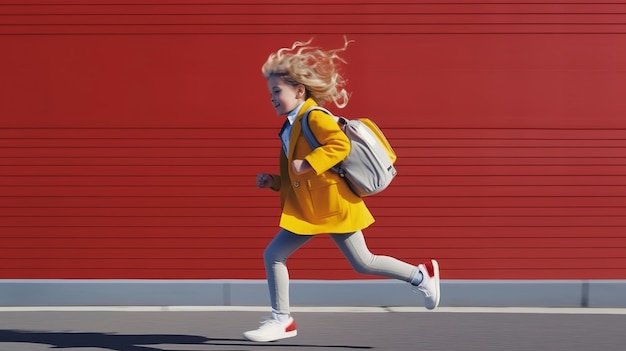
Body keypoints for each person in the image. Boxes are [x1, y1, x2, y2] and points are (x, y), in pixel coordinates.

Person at [244, 38, 440, 343]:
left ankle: (420, 275)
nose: (272, 98)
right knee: (274, 255)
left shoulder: (314, 116)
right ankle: (282, 319)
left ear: (299, 91)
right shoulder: (288, 127)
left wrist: (307, 162)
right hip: (310, 209)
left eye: (277, 91)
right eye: (270, 93)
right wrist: (275, 182)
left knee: (364, 262)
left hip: (334, 205)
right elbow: (297, 176)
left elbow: (339, 144)